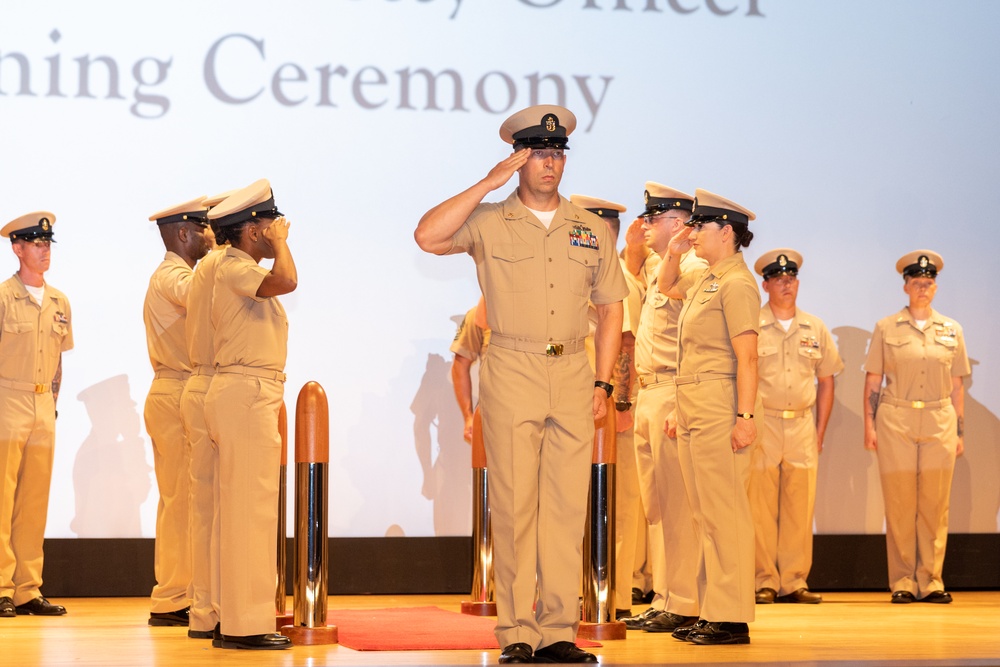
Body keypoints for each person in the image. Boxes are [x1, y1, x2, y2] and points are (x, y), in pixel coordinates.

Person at [414, 105, 628, 665]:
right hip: (512, 365)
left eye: (557, 154)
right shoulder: (489, 219)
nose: (550, 164)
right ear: (518, 158)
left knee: (564, 507)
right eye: (537, 154)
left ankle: (558, 630)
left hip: (574, 372)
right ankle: (516, 632)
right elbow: (427, 236)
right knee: (514, 507)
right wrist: (489, 182)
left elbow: (611, 312)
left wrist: (604, 384)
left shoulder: (587, 227)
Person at [655, 189, 760, 645]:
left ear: (727, 232)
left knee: (725, 512)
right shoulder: (708, 279)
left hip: (720, 402)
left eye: (701, 228)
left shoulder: (737, 282)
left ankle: (732, 616)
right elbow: (664, 287)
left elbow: (749, 357)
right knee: (703, 512)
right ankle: (714, 608)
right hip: (695, 401)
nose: (692, 233)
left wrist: (746, 415)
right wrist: (674, 253)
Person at [204, 179, 297, 649]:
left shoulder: (232, 267)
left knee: (240, 511)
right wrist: (283, 246)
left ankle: (232, 617)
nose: (276, 230)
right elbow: (288, 281)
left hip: (243, 391)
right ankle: (245, 625)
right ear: (250, 230)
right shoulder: (237, 266)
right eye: (268, 224)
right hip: (244, 393)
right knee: (251, 511)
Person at [619, 183, 706, 633]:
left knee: (677, 504)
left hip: (674, 390)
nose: (645, 226)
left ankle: (686, 600)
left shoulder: (693, 269)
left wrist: (682, 401)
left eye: (653, 219)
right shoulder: (659, 267)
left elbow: (696, 339)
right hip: (648, 392)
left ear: (677, 223)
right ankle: (666, 596)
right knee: (656, 503)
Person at [863, 250, 969, 604]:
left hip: (940, 420)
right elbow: (874, 381)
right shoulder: (886, 327)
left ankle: (932, 579)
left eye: (928, 282)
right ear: (905, 287)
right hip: (896, 420)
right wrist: (870, 426)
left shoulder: (952, 330)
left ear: (934, 288)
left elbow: (957, 385)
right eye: (916, 282)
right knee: (900, 503)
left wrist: (959, 431)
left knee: (935, 505)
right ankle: (904, 581)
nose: (923, 288)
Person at [750, 249, 842, 605]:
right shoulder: (752, 325)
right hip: (764, 422)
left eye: (791, 279)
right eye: (778, 280)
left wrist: (819, 431)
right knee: (759, 506)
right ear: (766, 285)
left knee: (799, 506)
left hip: (802, 425)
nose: (786, 285)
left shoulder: (814, 327)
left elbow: (827, 380)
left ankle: (794, 580)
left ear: (798, 283)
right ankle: (764, 580)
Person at [570, 194, 643, 621]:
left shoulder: (619, 279)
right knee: (580, 499)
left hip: (609, 403)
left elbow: (626, 343)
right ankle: (582, 589)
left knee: (618, 501)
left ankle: (612, 595)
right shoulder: (580, 272)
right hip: (578, 395)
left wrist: (623, 402)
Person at [143, 196, 212, 627]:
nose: (211, 236)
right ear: (183, 234)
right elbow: (202, 296)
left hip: (185, 391)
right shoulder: (173, 276)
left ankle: (183, 592)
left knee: (189, 499)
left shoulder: (181, 272)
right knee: (180, 501)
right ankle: (170, 597)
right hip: (175, 391)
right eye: (204, 229)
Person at [0, 212, 72, 618]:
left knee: (34, 501)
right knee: (1, 498)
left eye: (48, 244)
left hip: (44, 404)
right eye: (37, 244)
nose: (45, 250)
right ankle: (0, 587)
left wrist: (54, 403)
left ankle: (28, 588)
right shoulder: (2, 297)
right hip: (6, 400)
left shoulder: (60, 301)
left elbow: (59, 359)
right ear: (17, 248)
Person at [178, 189, 233, 640]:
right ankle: (218, 611)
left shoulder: (207, 269)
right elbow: (284, 282)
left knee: (206, 509)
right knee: (218, 510)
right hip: (211, 385)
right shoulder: (221, 269)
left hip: (199, 385)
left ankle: (206, 611)